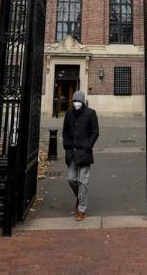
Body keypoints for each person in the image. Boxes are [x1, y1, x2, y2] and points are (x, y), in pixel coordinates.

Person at [62, 89, 99, 221]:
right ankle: (80, 197)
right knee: (71, 179)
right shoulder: (68, 114)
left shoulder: (90, 113)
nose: (77, 103)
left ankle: (81, 208)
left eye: (79, 101)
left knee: (83, 181)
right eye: (75, 101)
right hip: (72, 152)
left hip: (85, 152)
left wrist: (89, 145)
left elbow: (95, 131)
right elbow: (65, 132)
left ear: (83, 102)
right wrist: (67, 145)